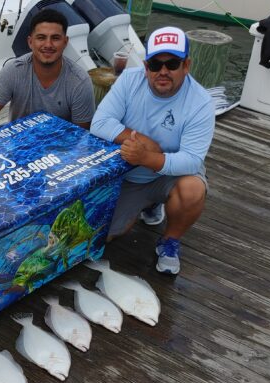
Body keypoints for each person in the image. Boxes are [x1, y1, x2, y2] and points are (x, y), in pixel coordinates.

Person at [91, 26, 215, 275]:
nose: (163, 71)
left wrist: (147, 157)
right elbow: (99, 123)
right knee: (103, 237)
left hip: (170, 175)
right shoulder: (128, 79)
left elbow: (191, 161)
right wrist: (146, 143)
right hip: (129, 176)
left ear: (186, 65)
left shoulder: (201, 101)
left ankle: (170, 241)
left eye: (172, 63)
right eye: (155, 64)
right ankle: (149, 205)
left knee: (192, 189)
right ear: (146, 66)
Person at [0, 9, 95, 138]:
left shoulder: (80, 82)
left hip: (60, 151)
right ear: (30, 42)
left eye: (55, 38)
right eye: (41, 38)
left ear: (65, 42)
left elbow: (81, 136)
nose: (48, 44)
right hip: (17, 145)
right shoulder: (13, 70)